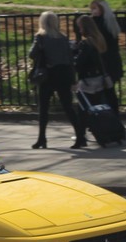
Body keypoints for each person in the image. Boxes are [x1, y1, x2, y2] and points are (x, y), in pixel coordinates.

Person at [28, 11, 85, 149]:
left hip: (47, 75)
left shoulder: (40, 37)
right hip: (64, 74)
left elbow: (32, 54)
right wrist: (73, 79)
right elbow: (70, 59)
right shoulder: (63, 38)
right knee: (68, 107)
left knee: (44, 108)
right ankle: (80, 136)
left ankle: (42, 138)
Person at [90, 0, 122, 114]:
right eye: (91, 9)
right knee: (109, 90)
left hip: (105, 61)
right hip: (112, 60)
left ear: (102, 9)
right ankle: (113, 114)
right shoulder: (110, 22)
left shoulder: (99, 23)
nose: (92, 11)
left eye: (95, 8)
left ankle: (108, 115)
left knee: (105, 91)